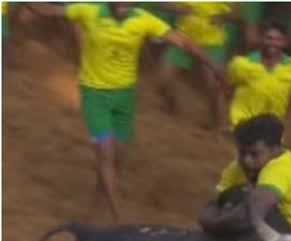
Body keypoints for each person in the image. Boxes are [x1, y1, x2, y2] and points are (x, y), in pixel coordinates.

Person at [27, 2, 226, 223]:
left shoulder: (143, 19)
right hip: (95, 95)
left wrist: (213, 65)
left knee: (117, 157)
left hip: (125, 98)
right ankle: (115, 218)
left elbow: (184, 42)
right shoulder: (89, 10)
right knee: (106, 153)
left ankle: (101, 197)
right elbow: (45, 9)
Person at [198, 114, 291, 241]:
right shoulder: (237, 168)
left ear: (275, 150)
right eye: (242, 153)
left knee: (249, 209)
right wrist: (211, 220)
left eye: (255, 154)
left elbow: (251, 218)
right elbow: (214, 202)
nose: (247, 160)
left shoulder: (280, 169)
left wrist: (212, 224)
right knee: (234, 198)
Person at [156, 2, 236, 130]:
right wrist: (178, 8)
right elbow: (161, 3)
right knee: (163, 80)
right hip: (184, 38)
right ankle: (171, 104)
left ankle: (215, 121)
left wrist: (223, 17)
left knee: (213, 87)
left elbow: (236, 12)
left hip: (212, 42)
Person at [226, 20, 291, 130]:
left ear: (284, 42)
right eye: (269, 38)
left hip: (272, 131)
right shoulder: (241, 64)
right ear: (261, 39)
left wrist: (286, 127)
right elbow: (226, 87)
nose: (273, 43)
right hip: (242, 126)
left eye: (278, 40)